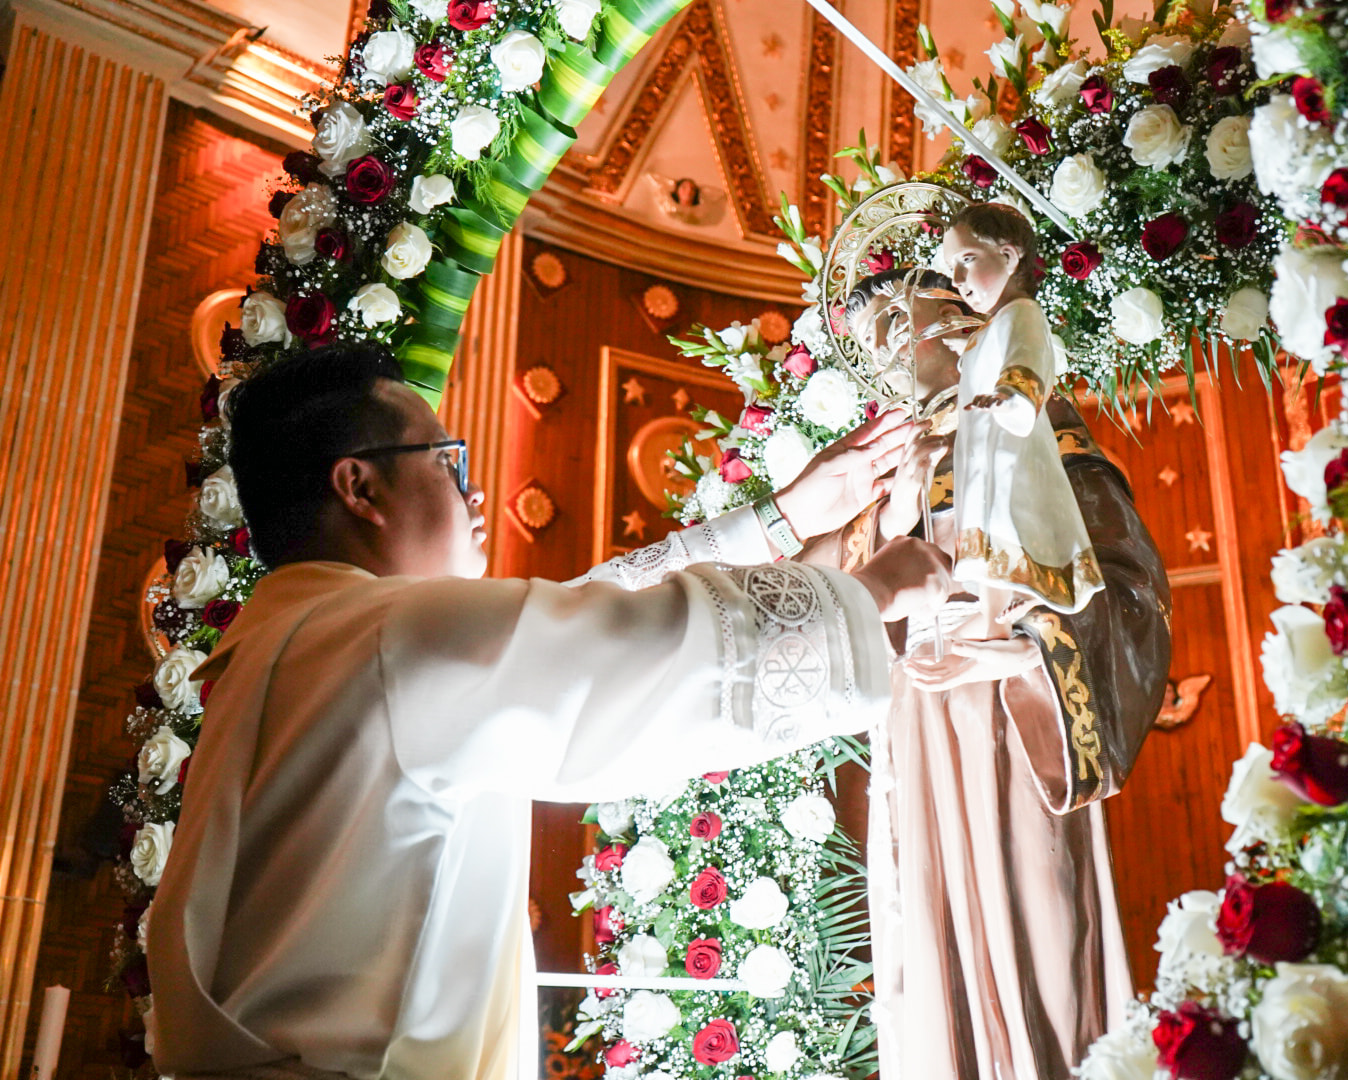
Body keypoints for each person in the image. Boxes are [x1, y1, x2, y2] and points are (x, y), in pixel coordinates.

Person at [145, 344, 952, 1080]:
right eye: (449, 462)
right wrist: (872, 592)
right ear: (360, 486)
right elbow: (644, 655)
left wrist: (780, 520)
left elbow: (569, 626)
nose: (477, 490)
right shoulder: (387, 639)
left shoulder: (294, 642)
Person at [835, 267, 1173, 1080]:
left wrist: (1024, 648)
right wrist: (890, 508)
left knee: (1040, 920)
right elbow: (850, 603)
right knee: (934, 923)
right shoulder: (886, 461)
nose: (883, 345)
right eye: (866, 334)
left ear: (954, 317)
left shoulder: (1031, 423)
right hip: (918, 716)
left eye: (894, 316)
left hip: (1024, 710)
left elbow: (1131, 584)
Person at [943, 202, 1104, 617]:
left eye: (967, 260)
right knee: (985, 519)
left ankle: (1022, 600)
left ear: (1009, 256)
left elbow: (1027, 356)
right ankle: (993, 613)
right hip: (986, 446)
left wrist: (1009, 395)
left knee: (1014, 513)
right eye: (952, 267)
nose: (958, 280)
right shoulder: (991, 327)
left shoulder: (1023, 313)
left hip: (1011, 445)